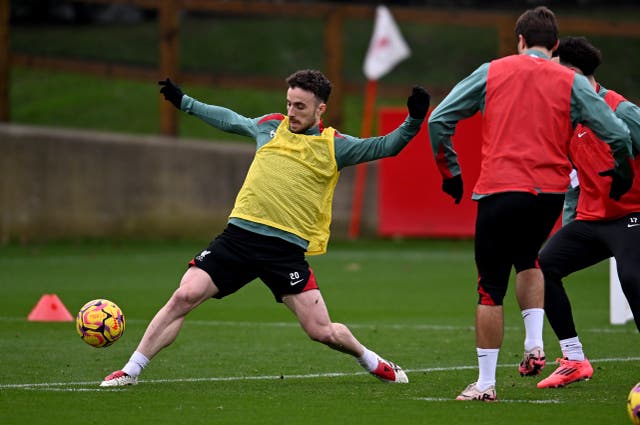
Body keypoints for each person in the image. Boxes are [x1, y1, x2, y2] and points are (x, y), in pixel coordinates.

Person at [100, 69, 431, 387]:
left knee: (322, 332)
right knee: (184, 295)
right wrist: (185, 102)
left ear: (321, 109)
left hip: (284, 252)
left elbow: (387, 146)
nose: (291, 112)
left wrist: (414, 119)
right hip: (238, 238)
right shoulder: (271, 126)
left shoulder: (335, 146)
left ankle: (370, 360)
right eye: (289, 103)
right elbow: (230, 120)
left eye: (300, 106)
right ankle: (130, 371)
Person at [427, 7, 633, 401]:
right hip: (548, 195)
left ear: (518, 40)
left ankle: (486, 383)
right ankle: (535, 343)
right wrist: (621, 169)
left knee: (490, 288)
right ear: (554, 46)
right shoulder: (569, 79)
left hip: (499, 190)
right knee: (529, 259)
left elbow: (440, 120)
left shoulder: (493, 70)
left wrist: (449, 171)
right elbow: (616, 132)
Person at [536, 36, 640, 389]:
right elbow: (573, 181)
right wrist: (571, 227)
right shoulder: (565, 119)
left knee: (634, 279)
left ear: (574, 75)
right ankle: (574, 359)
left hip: (632, 217)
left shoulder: (623, 111)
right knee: (542, 267)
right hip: (592, 221)